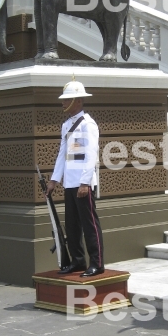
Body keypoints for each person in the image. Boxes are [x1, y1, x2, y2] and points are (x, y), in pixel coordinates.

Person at [46, 79, 104, 277]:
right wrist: (54, 180)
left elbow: (91, 155)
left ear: (78, 101)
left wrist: (85, 182)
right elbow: (63, 154)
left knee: (89, 225)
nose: (63, 103)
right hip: (70, 182)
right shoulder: (66, 126)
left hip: (82, 183)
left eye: (68, 99)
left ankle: (97, 263)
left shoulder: (88, 125)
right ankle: (78, 261)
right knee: (71, 226)